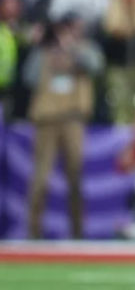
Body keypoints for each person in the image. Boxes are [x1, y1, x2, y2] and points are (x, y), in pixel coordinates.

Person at [23, 16, 105, 239]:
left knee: (76, 178)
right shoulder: (43, 52)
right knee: (40, 178)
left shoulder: (85, 50)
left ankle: (77, 234)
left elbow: (96, 67)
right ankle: (33, 234)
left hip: (73, 120)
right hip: (46, 121)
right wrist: (40, 46)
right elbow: (27, 78)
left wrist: (73, 48)